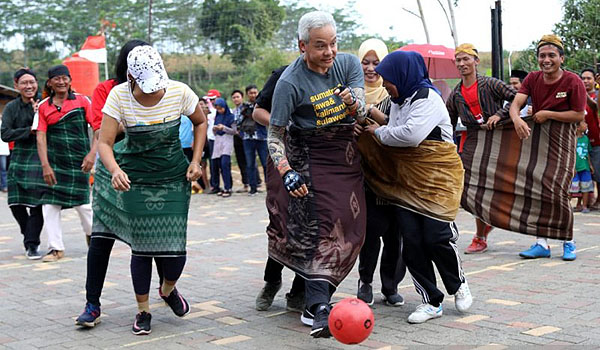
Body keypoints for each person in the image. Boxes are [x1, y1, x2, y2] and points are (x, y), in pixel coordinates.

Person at [92, 45, 207, 335]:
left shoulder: (179, 91)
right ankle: (143, 310)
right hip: (136, 179)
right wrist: (116, 170)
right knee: (142, 249)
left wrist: (195, 160)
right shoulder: (119, 96)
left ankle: (168, 290)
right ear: (131, 76)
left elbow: (201, 122)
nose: (153, 91)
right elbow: (105, 142)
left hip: (172, 178)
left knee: (175, 250)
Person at [268, 11, 367, 338]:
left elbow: (362, 112)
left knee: (352, 225)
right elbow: (275, 134)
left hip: (345, 157)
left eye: (333, 43)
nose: (330, 52)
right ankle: (319, 308)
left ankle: (312, 299)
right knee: (323, 227)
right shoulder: (289, 83)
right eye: (321, 46)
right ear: (302, 46)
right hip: (308, 156)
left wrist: (353, 102)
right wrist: (287, 172)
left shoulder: (349, 65)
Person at [361, 50, 472, 324]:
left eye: (389, 78)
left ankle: (458, 284)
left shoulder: (427, 98)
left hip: (437, 179)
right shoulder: (399, 101)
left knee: (437, 236)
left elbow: (410, 136)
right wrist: (371, 122)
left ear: (403, 75)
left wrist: (377, 132)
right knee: (411, 241)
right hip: (407, 182)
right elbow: (395, 129)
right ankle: (430, 300)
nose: (385, 83)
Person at [76, 39, 165, 329]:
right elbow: (104, 130)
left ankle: (169, 289)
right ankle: (92, 304)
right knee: (101, 241)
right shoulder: (107, 90)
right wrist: (140, 123)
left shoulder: (161, 89)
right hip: (110, 174)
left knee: (155, 239)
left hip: (147, 173)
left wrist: (128, 123)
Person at [508, 34, 586, 261]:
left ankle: (568, 241)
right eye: (542, 55)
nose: (546, 59)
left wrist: (547, 113)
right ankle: (541, 242)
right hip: (537, 140)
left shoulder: (573, 81)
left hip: (563, 141)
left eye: (552, 55)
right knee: (536, 189)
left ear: (561, 58)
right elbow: (516, 104)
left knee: (559, 191)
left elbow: (578, 114)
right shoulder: (532, 78)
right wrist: (517, 119)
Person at [446, 43, 516, 254]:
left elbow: (516, 98)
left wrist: (500, 115)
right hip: (473, 140)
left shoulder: (490, 83)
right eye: (458, 60)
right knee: (473, 189)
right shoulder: (456, 93)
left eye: (466, 59)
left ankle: (494, 219)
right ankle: (480, 236)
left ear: (476, 61)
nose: (462, 63)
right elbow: (448, 122)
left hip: (498, 138)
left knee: (502, 184)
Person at [355, 38, 406, 307]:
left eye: (376, 63)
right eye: (366, 62)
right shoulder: (351, 92)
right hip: (366, 175)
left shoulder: (394, 94)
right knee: (371, 232)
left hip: (395, 173)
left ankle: (391, 285)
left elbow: (400, 127)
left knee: (395, 235)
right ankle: (365, 282)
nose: (371, 68)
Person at [253, 65, 305, 314]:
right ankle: (272, 280)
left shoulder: (333, 78)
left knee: (310, 225)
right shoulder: (283, 75)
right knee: (281, 221)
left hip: (316, 158)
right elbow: (257, 112)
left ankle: (300, 289)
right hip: (282, 153)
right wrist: (283, 124)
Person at [36, 64, 99, 262]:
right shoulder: (44, 106)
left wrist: (92, 155)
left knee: (84, 206)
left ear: (70, 80)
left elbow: (98, 130)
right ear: (50, 83)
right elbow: (40, 137)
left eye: (65, 78)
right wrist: (45, 165)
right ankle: (56, 249)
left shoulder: (82, 101)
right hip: (54, 164)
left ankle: (93, 238)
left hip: (80, 162)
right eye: (57, 78)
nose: (62, 82)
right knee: (50, 205)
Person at [0, 68, 45, 259]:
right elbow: (5, 134)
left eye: (32, 82)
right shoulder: (11, 107)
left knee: (38, 204)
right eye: (24, 83)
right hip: (19, 157)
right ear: (17, 85)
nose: (29, 86)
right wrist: (29, 130)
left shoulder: (44, 104)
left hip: (41, 157)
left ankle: (32, 244)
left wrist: (39, 116)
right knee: (15, 203)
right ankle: (29, 235)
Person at [240, 84, 268, 196]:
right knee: (250, 164)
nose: (253, 95)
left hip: (262, 137)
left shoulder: (263, 104)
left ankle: (270, 186)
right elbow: (237, 121)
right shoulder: (243, 107)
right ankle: (253, 188)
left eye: (255, 93)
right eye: (251, 93)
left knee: (266, 164)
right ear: (247, 94)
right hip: (248, 138)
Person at [579, 68, 600, 209]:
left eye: (588, 78)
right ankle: (587, 200)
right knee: (585, 171)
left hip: (596, 140)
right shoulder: (577, 95)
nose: (586, 81)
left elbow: (596, 107)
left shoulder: (597, 95)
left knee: (597, 172)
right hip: (581, 143)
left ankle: (598, 200)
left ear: (594, 80)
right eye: (583, 78)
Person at [212, 98, 236, 197]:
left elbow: (234, 131)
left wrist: (224, 128)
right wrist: (215, 129)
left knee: (225, 164)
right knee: (218, 166)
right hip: (218, 142)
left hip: (227, 142)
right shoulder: (217, 117)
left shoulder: (231, 117)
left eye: (221, 108)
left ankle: (228, 187)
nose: (220, 111)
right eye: (217, 109)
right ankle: (223, 186)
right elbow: (214, 132)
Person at [571, 121, 594, 212]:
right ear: (578, 128)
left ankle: (584, 206)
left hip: (585, 167)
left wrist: (590, 165)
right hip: (575, 167)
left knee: (586, 186)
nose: (587, 124)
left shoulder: (586, 139)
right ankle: (568, 205)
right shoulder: (573, 139)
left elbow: (587, 153)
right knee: (572, 188)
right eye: (584, 124)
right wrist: (572, 167)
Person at [231, 89, 250, 192]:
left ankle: (256, 182)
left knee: (249, 160)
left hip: (246, 136)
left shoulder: (247, 108)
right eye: (234, 97)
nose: (236, 99)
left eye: (237, 97)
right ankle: (245, 184)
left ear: (242, 97)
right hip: (236, 137)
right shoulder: (233, 111)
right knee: (240, 160)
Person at [205, 89, 221, 194]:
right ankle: (215, 185)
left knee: (223, 163)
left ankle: (227, 186)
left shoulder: (223, 110)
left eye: (213, 99)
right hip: (211, 139)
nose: (212, 101)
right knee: (212, 163)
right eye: (210, 100)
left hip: (221, 139)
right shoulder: (208, 112)